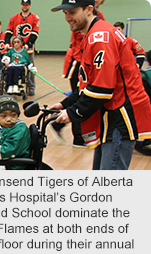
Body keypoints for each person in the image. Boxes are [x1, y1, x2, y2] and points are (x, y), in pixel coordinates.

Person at [50, 0, 151, 170]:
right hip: (110, 114)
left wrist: (73, 112)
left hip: (120, 116)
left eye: (72, 12)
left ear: (89, 10)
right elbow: (92, 82)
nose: (67, 18)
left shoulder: (100, 37)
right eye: (65, 13)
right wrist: (65, 104)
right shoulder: (94, 33)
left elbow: (102, 89)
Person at [4, 0, 40, 96]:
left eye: (26, 4)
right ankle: (10, 84)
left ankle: (31, 87)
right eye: (23, 4)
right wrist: (7, 42)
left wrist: (28, 44)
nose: (25, 6)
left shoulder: (35, 18)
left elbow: (35, 34)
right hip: (16, 49)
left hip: (28, 49)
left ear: (30, 6)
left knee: (30, 68)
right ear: (21, 5)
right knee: (12, 66)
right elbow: (8, 31)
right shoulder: (14, 17)